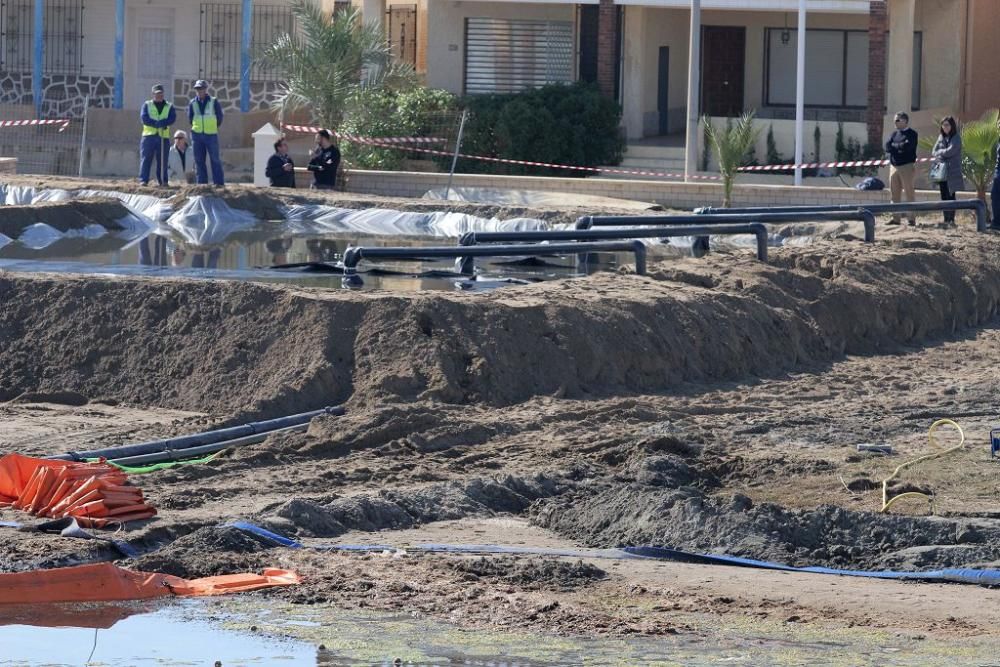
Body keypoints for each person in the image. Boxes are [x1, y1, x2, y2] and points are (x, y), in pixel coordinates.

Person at [187, 79, 225, 186]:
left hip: (211, 135)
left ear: (206, 89)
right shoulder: (192, 103)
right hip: (197, 135)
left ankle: (218, 183)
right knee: (199, 160)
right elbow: (190, 119)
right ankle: (202, 184)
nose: (200, 91)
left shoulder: (213, 101)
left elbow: (219, 117)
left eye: (202, 88)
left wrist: (212, 126)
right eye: (198, 89)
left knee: (215, 159)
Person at [884, 111, 918, 226]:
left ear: (905, 121)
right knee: (894, 194)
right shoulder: (893, 134)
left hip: (907, 166)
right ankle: (896, 218)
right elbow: (887, 147)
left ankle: (911, 219)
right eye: (894, 120)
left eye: (897, 120)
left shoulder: (912, 134)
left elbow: (907, 147)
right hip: (894, 166)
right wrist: (898, 146)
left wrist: (896, 146)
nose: (895, 122)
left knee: (909, 193)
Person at [138, 84, 175, 186]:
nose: (159, 96)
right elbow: (144, 118)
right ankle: (143, 180)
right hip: (148, 136)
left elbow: (172, 118)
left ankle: (163, 181)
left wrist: (163, 123)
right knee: (146, 159)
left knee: (163, 161)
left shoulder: (169, 106)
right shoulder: (147, 105)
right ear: (153, 94)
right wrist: (156, 124)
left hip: (163, 136)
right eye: (157, 94)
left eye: (161, 93)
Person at [930, 116, 964, 227]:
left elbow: (951, 151)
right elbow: (933, 151)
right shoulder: (940, 137)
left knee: (951, 195)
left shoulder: (956, 137)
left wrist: (940, 152)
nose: (945, 127)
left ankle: (951, 220)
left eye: (947, 125)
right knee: (943, 195)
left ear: (952, 126)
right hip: (941, 171)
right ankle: (946, 219)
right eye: (943, 125)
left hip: (952, 171)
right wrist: (940, 152)